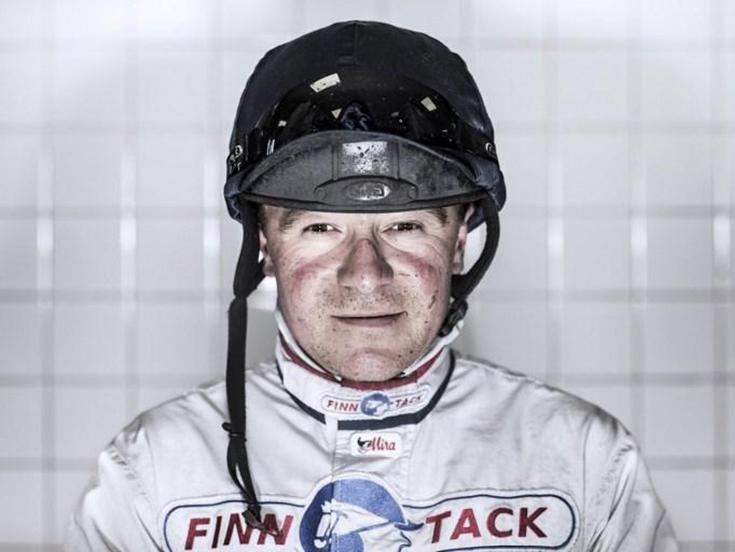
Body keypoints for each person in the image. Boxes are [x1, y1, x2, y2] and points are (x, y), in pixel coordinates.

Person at [66, 20, 677, 551]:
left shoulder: (585, 464)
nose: (365, 273)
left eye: (406, 225)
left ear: (460, 238)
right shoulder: (151, 474)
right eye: (321, 227)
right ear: (263, 244)